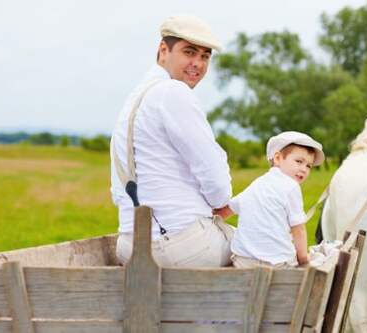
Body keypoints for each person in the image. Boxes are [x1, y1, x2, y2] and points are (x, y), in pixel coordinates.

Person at [110, 15, 233, 267]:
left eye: (205, 56)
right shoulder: (173, 93)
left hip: (129, 244)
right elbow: (216, 181)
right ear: (163, 50)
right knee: (266, 248)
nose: (197, 64)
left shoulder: (135, 98)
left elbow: (116, 193)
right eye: (189, 52)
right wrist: (220, 204)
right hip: (181, 245)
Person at [216, 131, 325, 268]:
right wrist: (303, 260)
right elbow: (299, 230)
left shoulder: (257, 184)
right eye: (299, 161)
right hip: (277, 263)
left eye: (308, 166)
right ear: (278, 158)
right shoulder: (291, 187)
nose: (304, 169)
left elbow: (227, 210)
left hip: (243, 262)